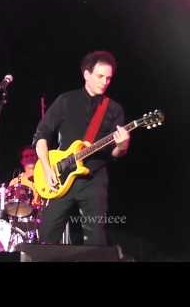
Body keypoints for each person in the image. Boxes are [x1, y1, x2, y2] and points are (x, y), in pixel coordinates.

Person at [32, 51, 130, 246]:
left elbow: (116, 154)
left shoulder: (114, 109)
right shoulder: (65, 100)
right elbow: (41, 135)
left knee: (96, 241)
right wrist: (46, 167)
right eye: (100, 76)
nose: (105, 82)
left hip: (94, 179)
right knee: (46, 237)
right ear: (86, 74)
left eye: (109, 78)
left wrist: (122, 145)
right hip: (60, 177)